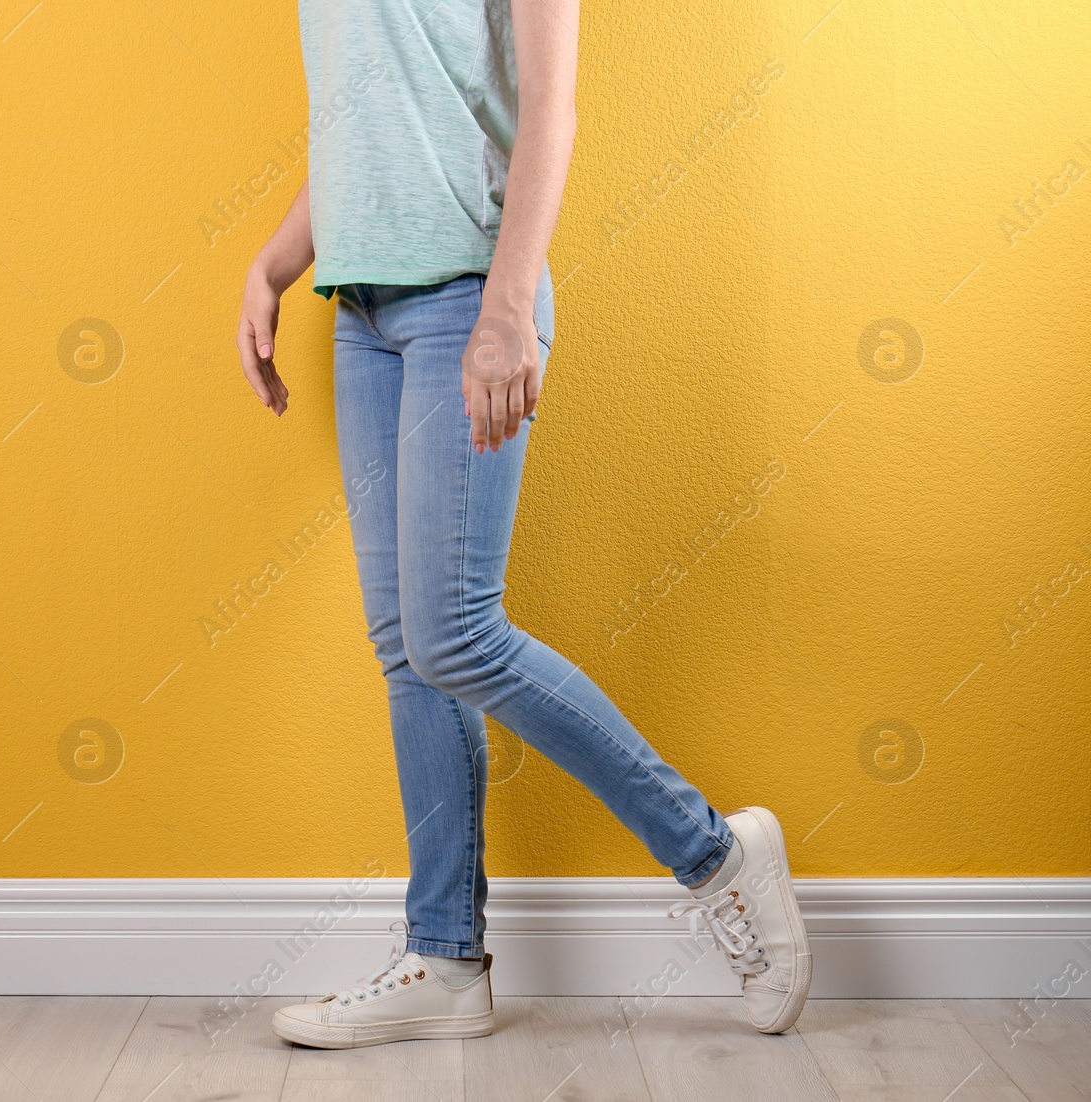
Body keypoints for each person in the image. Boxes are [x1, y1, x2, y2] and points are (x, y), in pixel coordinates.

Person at [235, 0, 812, 1049]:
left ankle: (714, 853)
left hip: (468, 296)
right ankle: (445, 958)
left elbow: (550, 106)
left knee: (453, 631)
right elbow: (376, 131)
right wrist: (272, 262)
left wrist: (506, 309)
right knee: (409, 652)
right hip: (361, 314)